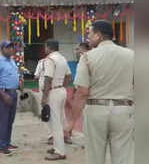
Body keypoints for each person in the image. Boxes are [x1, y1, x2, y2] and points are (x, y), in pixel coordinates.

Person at [67, 20, 135, 164]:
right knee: (123, 157)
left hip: (96, 111)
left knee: (95, 157)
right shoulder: (131, 55)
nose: (88, 38)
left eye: (90, 34)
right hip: (124, 111)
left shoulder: (87, 57)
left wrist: (71, 122)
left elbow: (82, 92)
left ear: (98, 35)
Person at [41, 39, 72, 161]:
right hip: (61, 91)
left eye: (45, 47)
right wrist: (62, 86)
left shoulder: (50, 59)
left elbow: (48, 78)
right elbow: (69, 75)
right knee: (59, 119)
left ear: (48, 47)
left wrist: (44, 97)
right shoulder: (62, 58)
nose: (45, 49)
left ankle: (60, 152)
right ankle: (56, 147)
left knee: (55, 123)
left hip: (53, 92)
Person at [0, 41, 20, 156]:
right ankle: (1, 146)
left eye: (12, 47)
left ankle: (7, 143)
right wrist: (4, 95)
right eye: (8, 48)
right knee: (3, 120)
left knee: (10, 120)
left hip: (13, 93)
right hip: (3, 94)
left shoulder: (12, 61)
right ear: (2, 49)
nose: (11, 49)